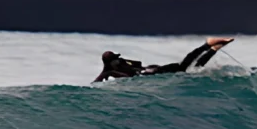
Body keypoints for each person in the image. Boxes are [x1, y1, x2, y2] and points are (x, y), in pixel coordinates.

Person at [94, 37, 234, 83]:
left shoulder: (114, 67)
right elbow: (137, 66)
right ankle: (211, 48)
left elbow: (137, 66)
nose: (119, 60)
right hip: (153, 70)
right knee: (188, 69)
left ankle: (209, 46)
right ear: (110, 61)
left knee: (185, 68)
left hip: (153, 72)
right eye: (116, 59)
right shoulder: (110, 69)